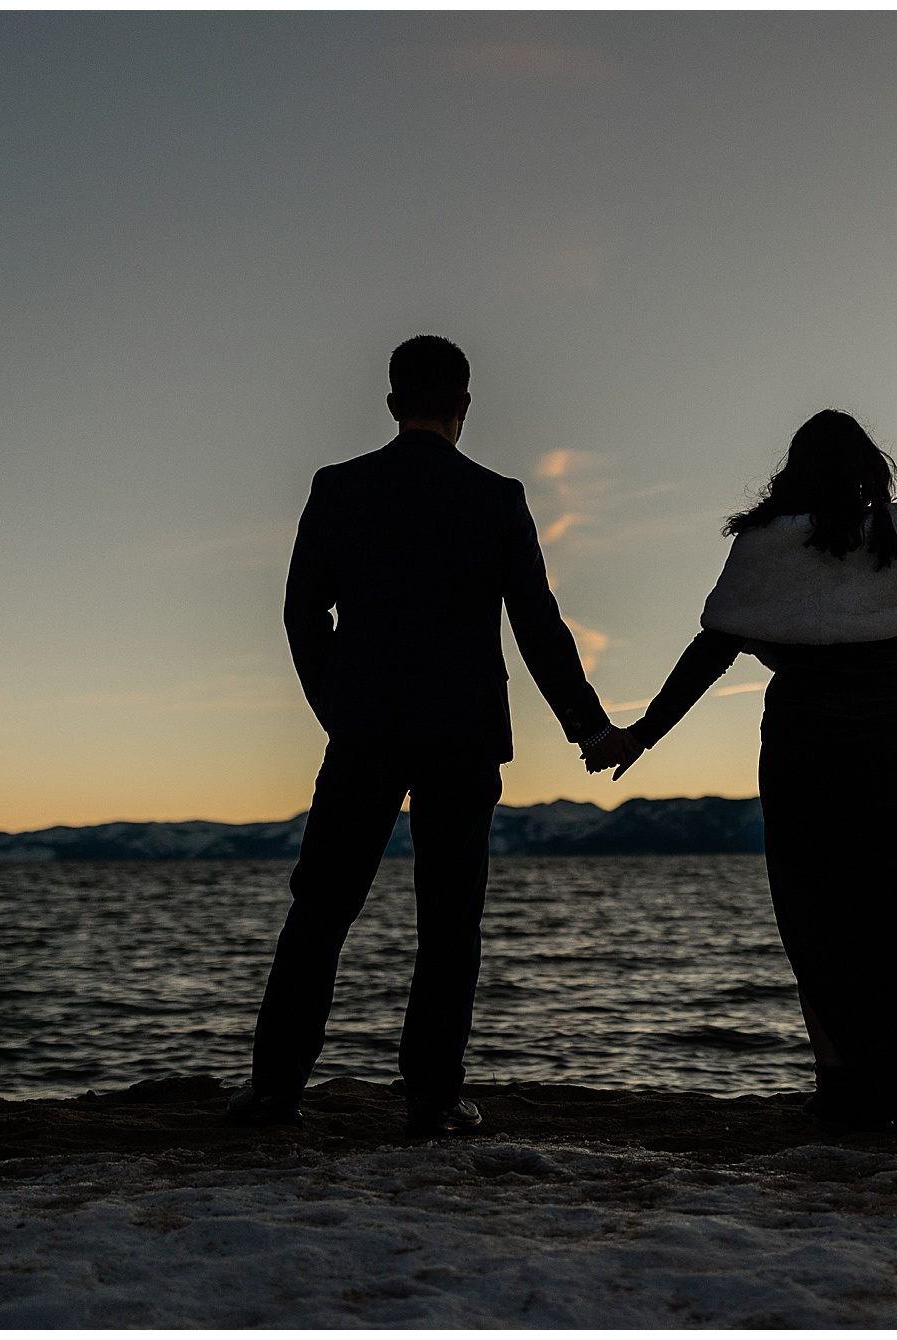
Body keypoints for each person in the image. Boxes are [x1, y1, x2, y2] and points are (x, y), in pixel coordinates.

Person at [228, 335, 640, 1135]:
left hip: (367, 727)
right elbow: (537, 624)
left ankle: (275, 1091)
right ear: (465, 404)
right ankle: (433, 1100)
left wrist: (337, 705)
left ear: (391, 402)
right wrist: (588, 727)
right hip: (463, 731)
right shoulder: (496, 496)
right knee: (448, 920)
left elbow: (302, 615)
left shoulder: (338, 488)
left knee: (320, 908)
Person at [618, 410, 897, 1132]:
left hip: (805, 724)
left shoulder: (767, 544)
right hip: (884, 725)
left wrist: (645, 732)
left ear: (793, 469)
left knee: (814, 904)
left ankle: (840, 1086)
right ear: (869, 466)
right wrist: (858, 640)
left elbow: (714, 646)